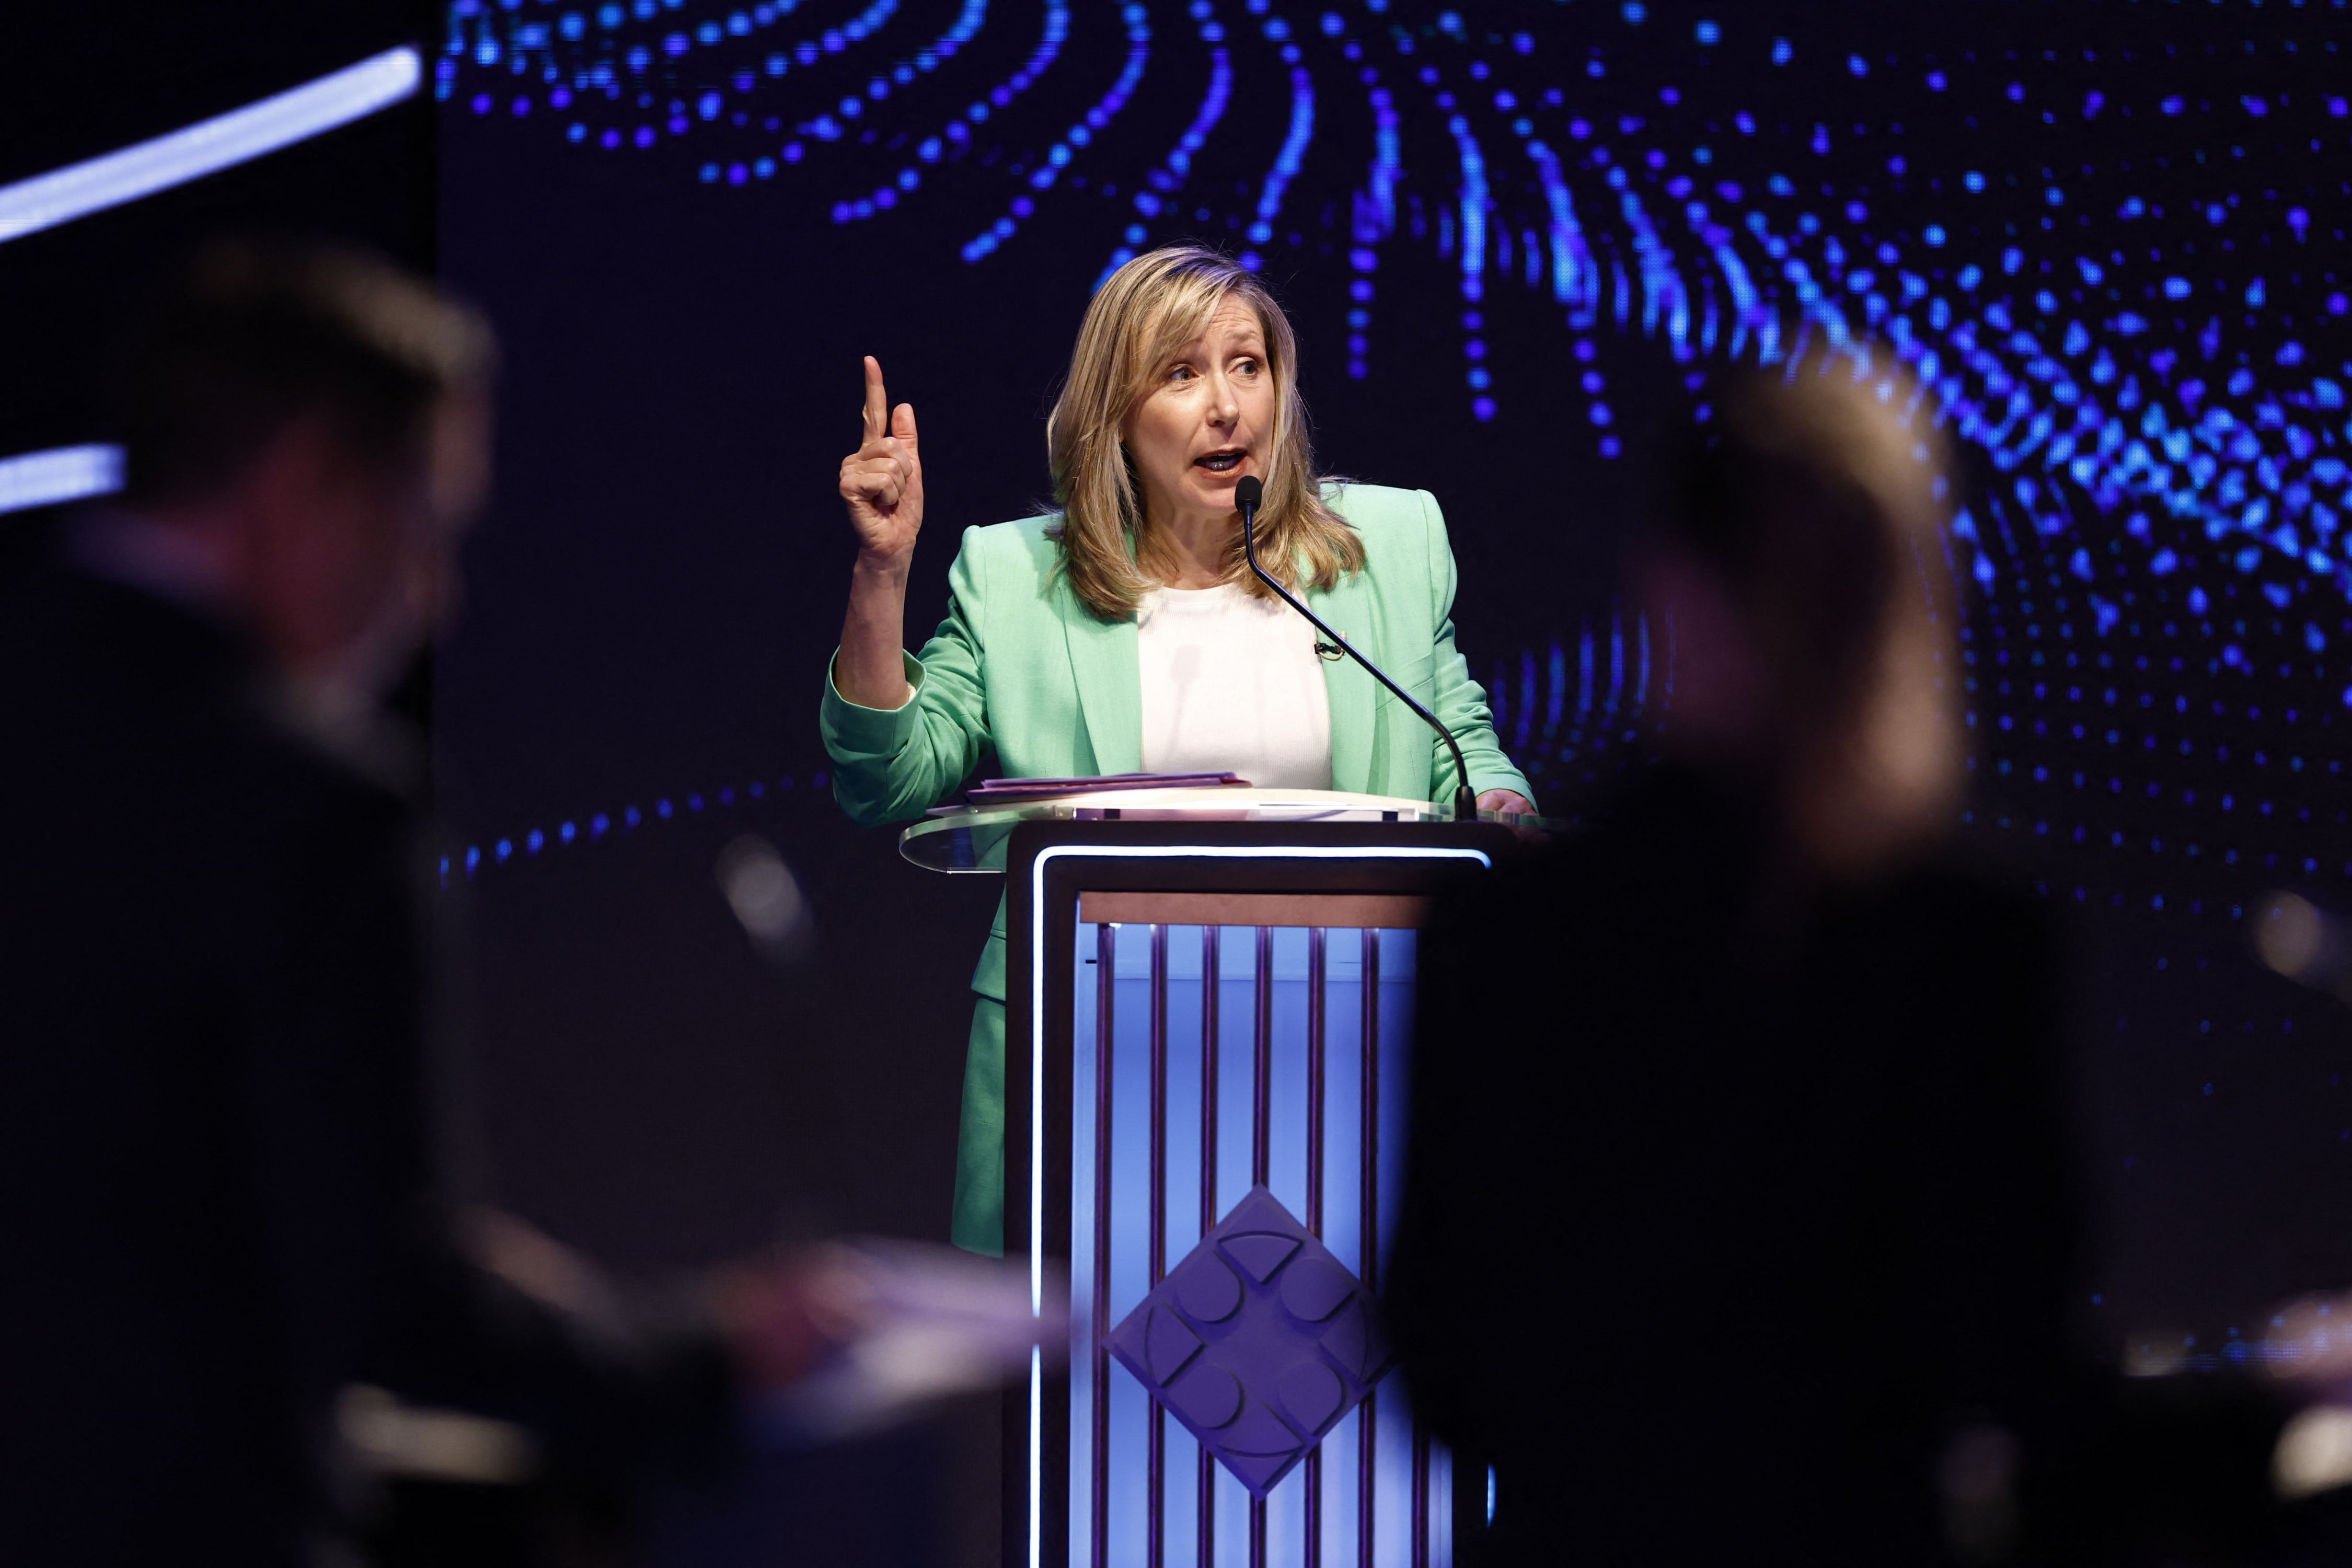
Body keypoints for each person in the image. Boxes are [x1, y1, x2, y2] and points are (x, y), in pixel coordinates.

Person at [0, 240, 837, 1566]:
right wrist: (714, 1356)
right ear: (310, 483)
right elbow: (386, 1310)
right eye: (424, 526)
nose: (433, 598)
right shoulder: (311, 809)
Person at [818, 245, 1536, 1256]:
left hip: (1343, 1056)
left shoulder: (1391, 546)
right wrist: (883, 570)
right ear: (1116, 412)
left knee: (1340, 1381)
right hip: (1100, 1057)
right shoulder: (1018, 581)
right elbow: (887, 777)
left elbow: (1456, 738)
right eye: (1181, 373)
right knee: (1115, 1395)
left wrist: (1498, 805)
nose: (1227, 406)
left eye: (1249, 366)